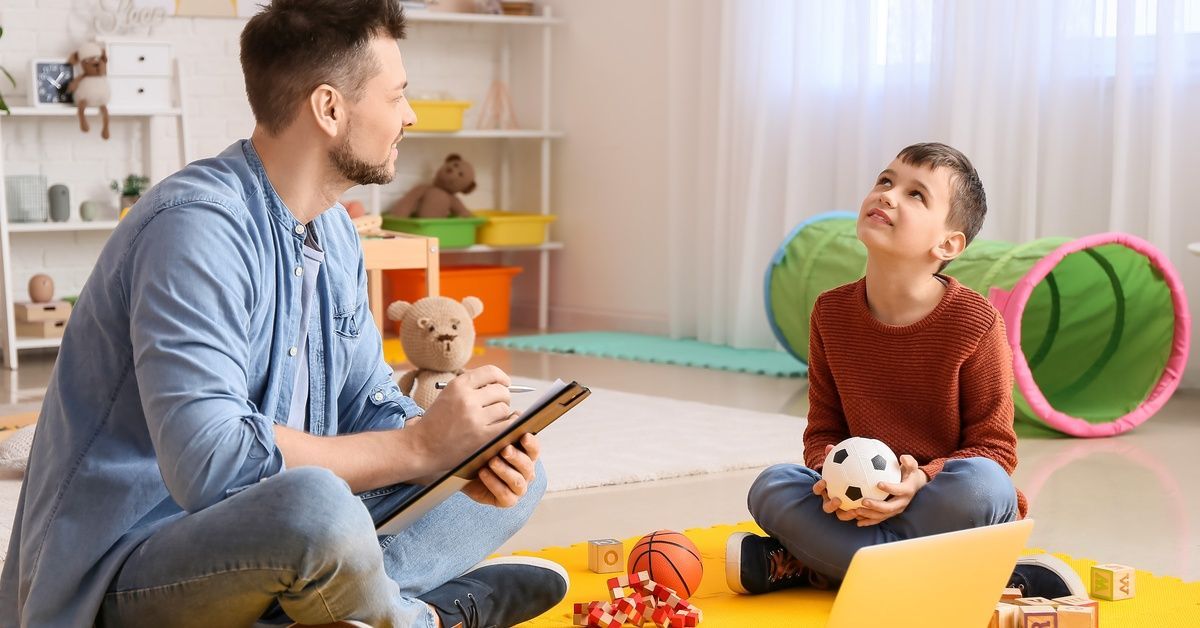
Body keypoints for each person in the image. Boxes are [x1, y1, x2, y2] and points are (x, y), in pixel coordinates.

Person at [0, 1, 567, 626]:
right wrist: (417, 447)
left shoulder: (334, 229)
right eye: (397, 96)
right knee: (317, 510)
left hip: (259, 545)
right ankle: (425, 618)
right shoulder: (194, 229)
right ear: (330, 108)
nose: (408, 116)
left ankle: (340, 606)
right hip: (127, 567)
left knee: (513, 481)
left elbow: (364, 400)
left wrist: (457, 445)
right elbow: (212, 465)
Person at [726, 142, 1086, 600]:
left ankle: (814, 563)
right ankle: (970, 576)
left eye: (917, 195)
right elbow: (823, 431)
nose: (889, 195)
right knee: (772, 485)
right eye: (886, 180)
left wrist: (919, 479)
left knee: (985, 484)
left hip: (938, 499)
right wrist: (834, 482)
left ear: (948, 244)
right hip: (853, 503)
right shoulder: (830, 313)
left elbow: (995, 449)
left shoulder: (976, 322)